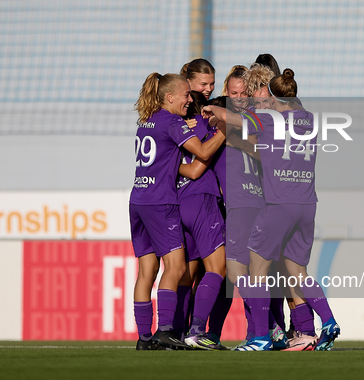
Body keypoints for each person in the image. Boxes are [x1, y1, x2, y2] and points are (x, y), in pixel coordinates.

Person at [203, 69, 340, 351]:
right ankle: (328, 321)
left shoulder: (266, 119)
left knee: (256, 269)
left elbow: (235, 118)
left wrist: (213, 107)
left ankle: (261, 337)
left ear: (274, 97)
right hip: (307, 205)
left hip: (279, 204)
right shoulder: (309, 119)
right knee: (297, 272)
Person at [131, 72, 225, 350]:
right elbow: (203, 153)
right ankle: (166, 330)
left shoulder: (146, 121)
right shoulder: (171, 121)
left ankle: (144, 338)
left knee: (146, 270)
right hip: (161, 202)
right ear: (169, 97)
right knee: (176, 266)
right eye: (186, 94)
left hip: (138, 199)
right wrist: (224, 131)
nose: (189, 99)